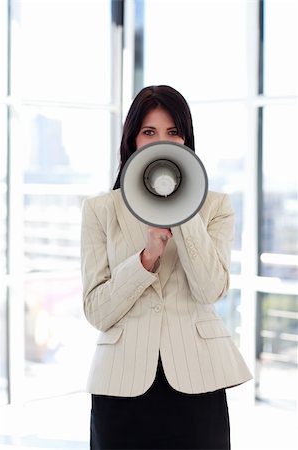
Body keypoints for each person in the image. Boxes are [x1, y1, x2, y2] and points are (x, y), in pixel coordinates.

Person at [81, 85, 252, 450]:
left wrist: (184, 211)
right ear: (132, 143)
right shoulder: (100, 210)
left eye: (173, 132)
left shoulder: (215, 207)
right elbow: (96, 311)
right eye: (149, 132)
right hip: (120, 384)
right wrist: (144, 260)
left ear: (186, 142)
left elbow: (210, 290)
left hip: (197, 380)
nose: (162, 141)